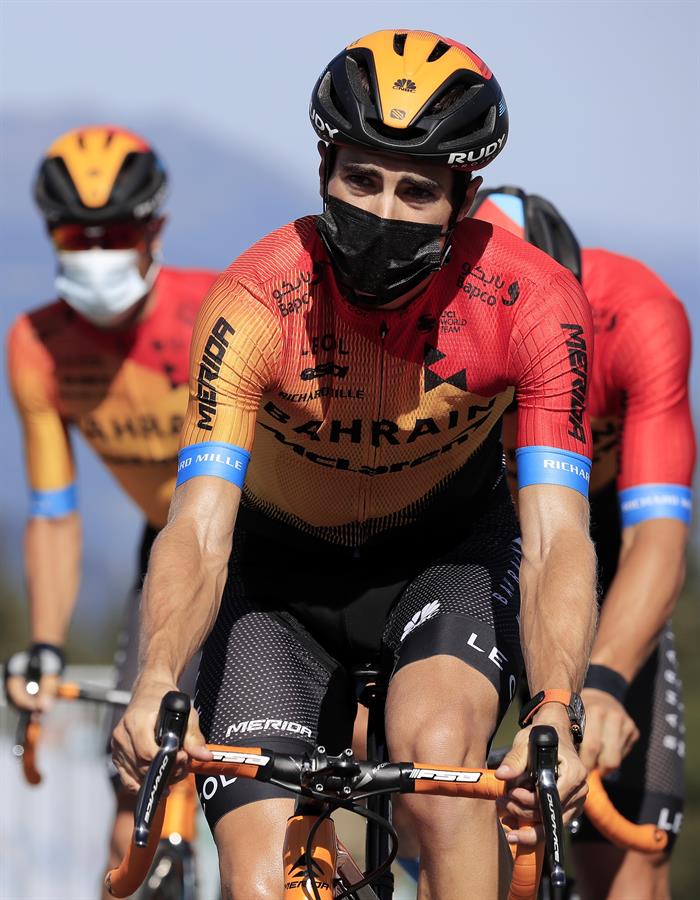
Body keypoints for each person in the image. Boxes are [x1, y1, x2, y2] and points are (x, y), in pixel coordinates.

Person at [112, 31, 597, 899]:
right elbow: (199, 525)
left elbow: (558, 538)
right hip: (276, 583)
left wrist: (557, 705)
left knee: (441, 768)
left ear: (466, 197)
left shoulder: (537, 304)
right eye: (362, 179)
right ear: (324, 168)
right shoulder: (254, 299)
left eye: (418, 190)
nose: (384, 210)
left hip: (444, 561)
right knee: (262, 882)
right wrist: (155, 678)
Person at [4, 125, 218, 890]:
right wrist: (46, 645)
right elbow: (54, 511)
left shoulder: (213, 309)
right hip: (168, 545)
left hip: (272, 537)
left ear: (155, 230)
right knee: (136, 779)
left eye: (117, 235)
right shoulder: (38, 344)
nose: (97, 252)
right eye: (76, 236)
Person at [473, 186, 695, 899]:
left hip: (596, 529)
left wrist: (601, 686)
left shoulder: (640, 317)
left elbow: (657, 539)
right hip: (485, 531)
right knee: (452, 816)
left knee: (625, 860)